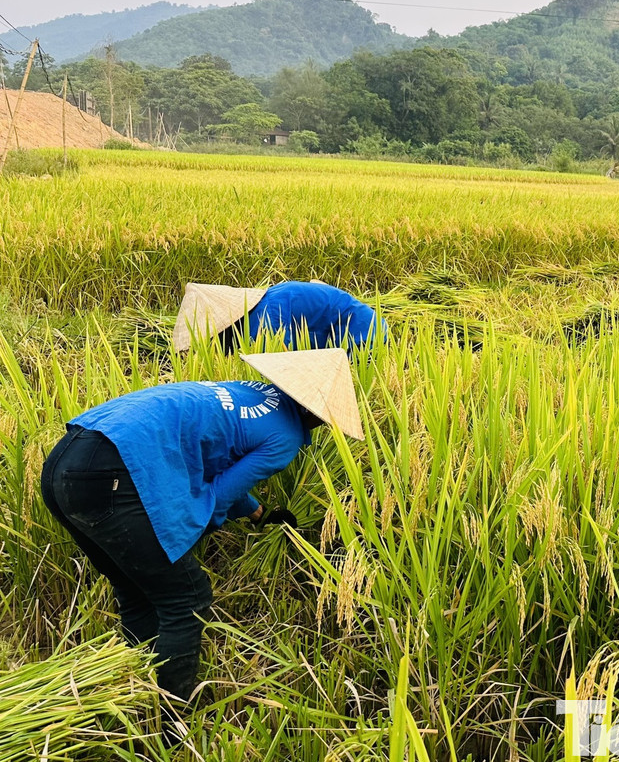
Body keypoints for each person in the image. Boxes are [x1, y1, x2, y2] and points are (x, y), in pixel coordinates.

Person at [39, 349, 364, 703]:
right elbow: (219, 497)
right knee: (187, 596)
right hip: (112, 474)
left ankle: (136, 694)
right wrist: (189, 535)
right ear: (321, 416)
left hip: (65, 461)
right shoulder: (285, 438)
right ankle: (173, 719)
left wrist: (259, 514)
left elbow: (216, 467)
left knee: (138, 589)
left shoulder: (247, 391)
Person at [171, 280, 384, 353]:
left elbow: (282, 358)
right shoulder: (262, 306)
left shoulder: (265, 316)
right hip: (341, 331)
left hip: (363, 333)